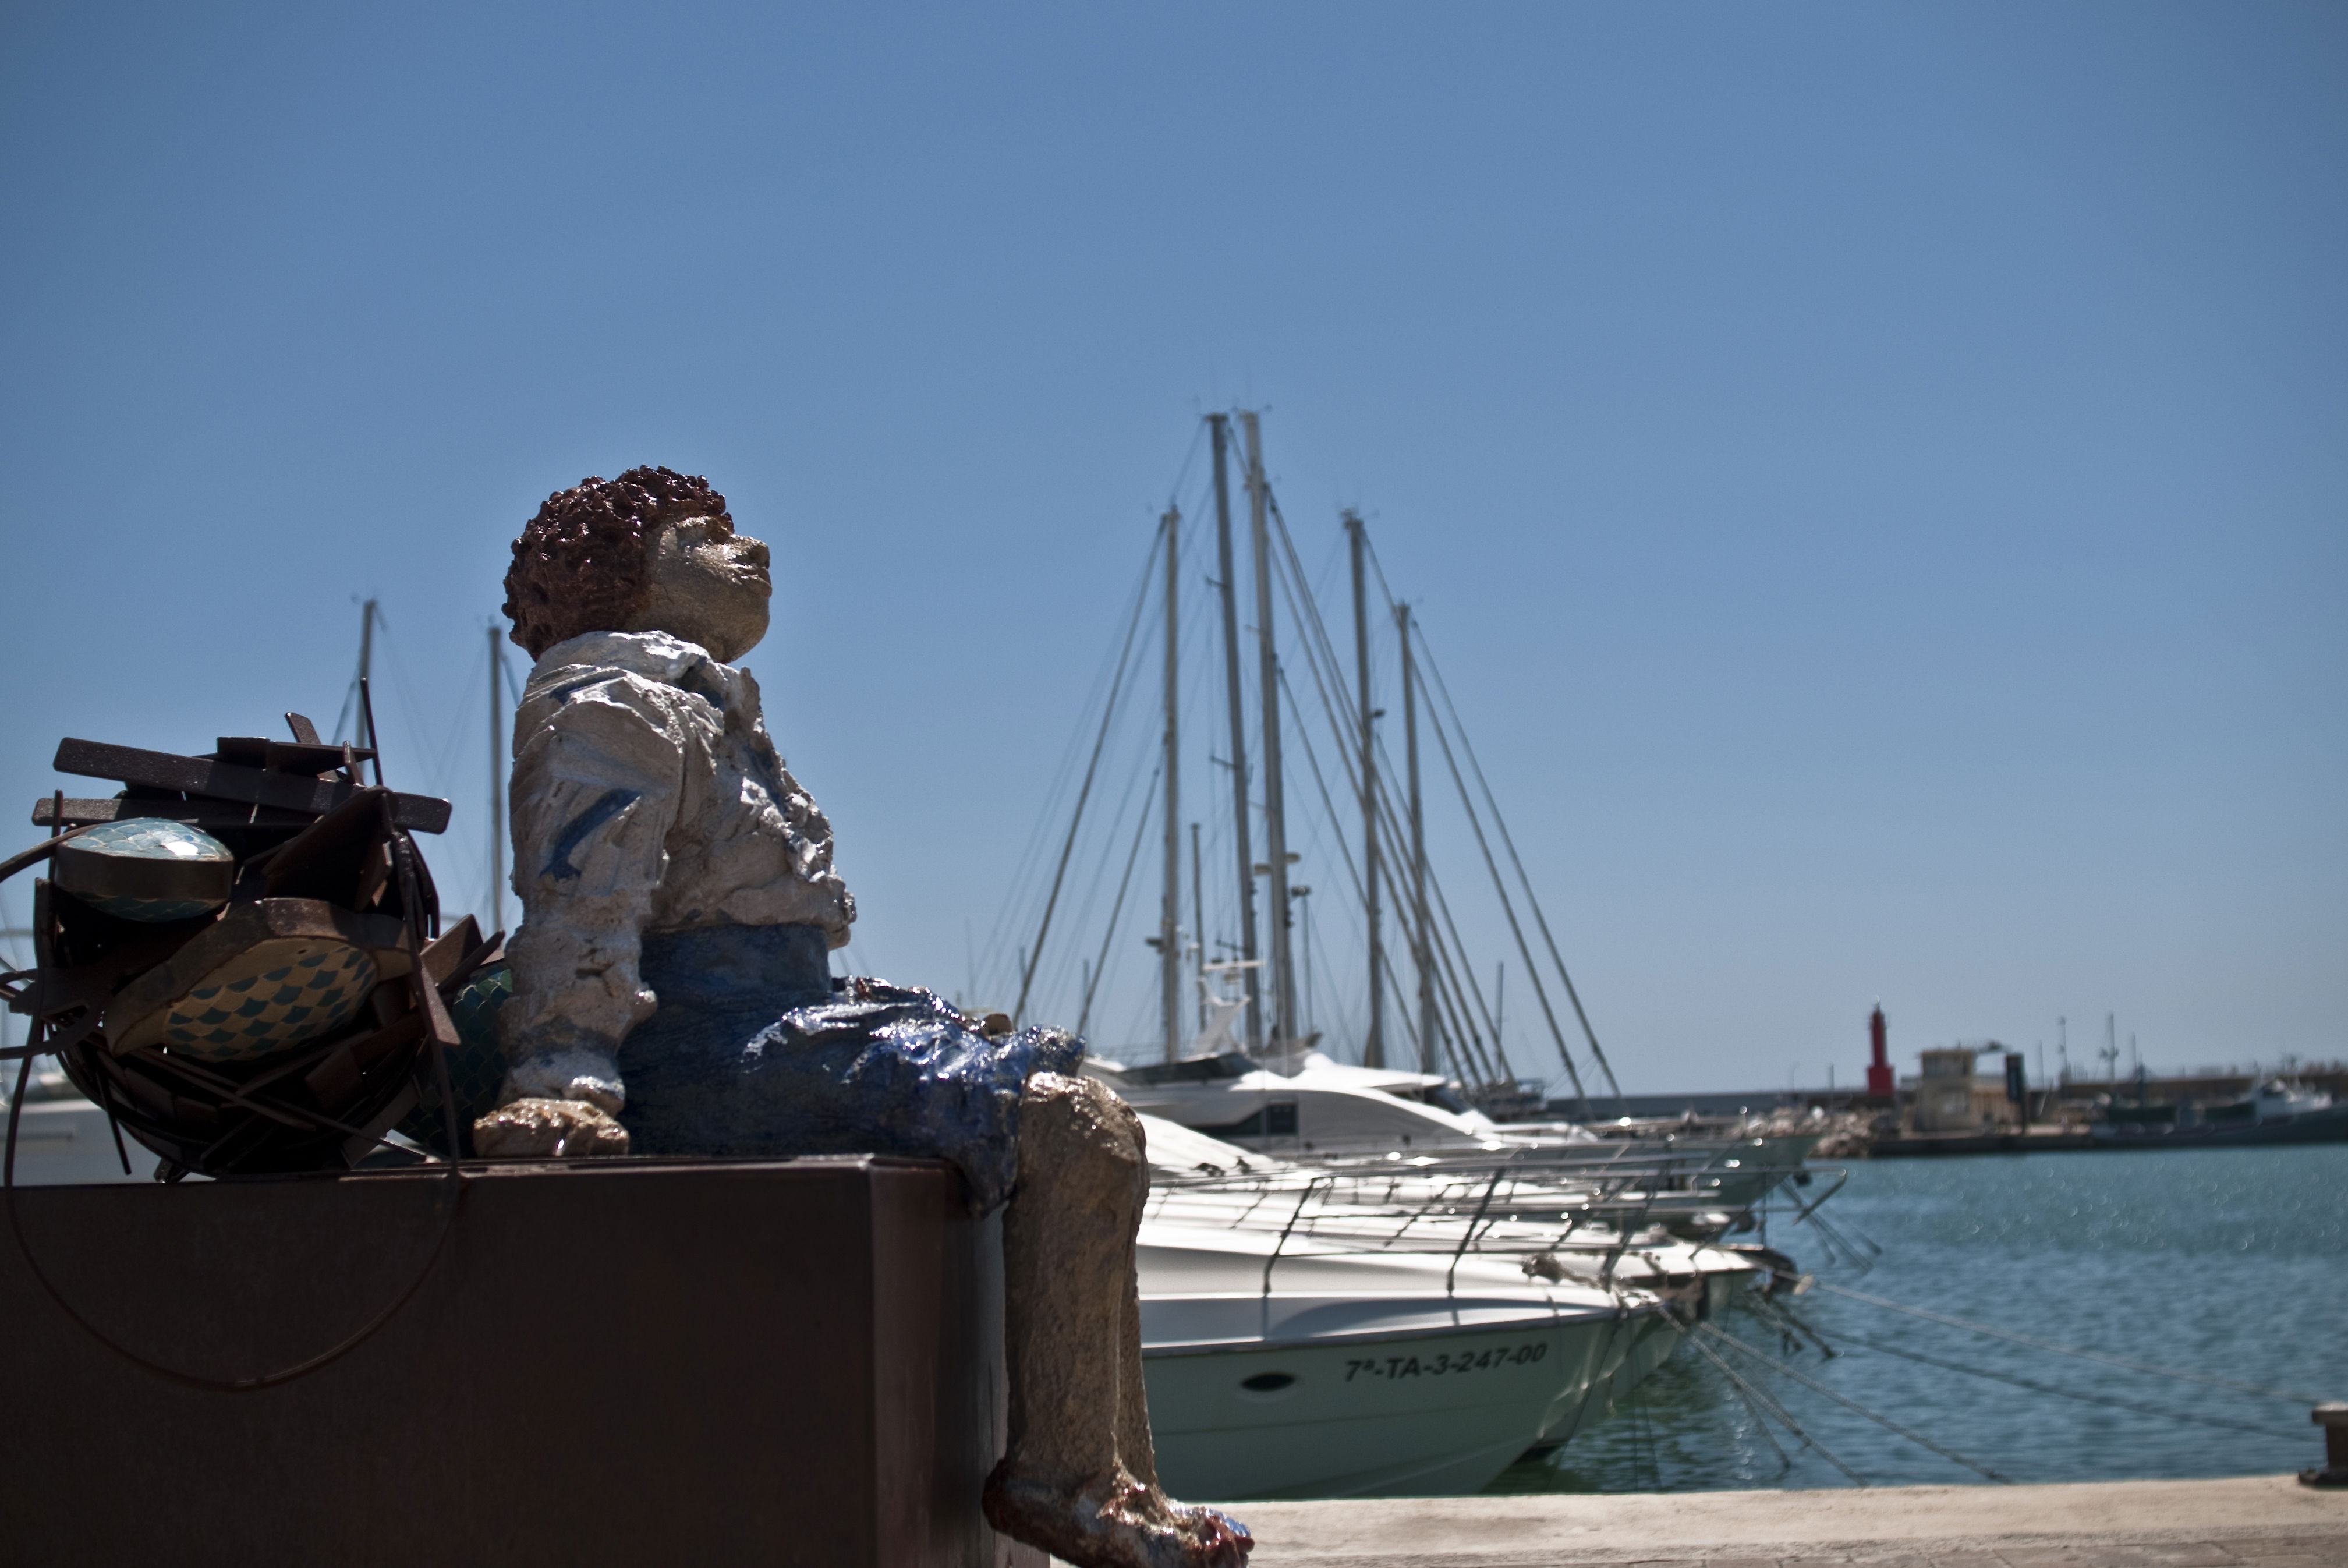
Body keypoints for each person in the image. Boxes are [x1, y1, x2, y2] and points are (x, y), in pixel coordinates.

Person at [477, 467, 1249, 1568]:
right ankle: (1060, 1479)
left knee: (1091, 1115)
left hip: (777, 1007)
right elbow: (579, 898)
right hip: (701, 1039)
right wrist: (563, 1073)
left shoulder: (700, 702)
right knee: (1073, 1129)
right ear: (626, 577)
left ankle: (1111, 1473)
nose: (755, 552)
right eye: (708, 536)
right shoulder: (612, 700)